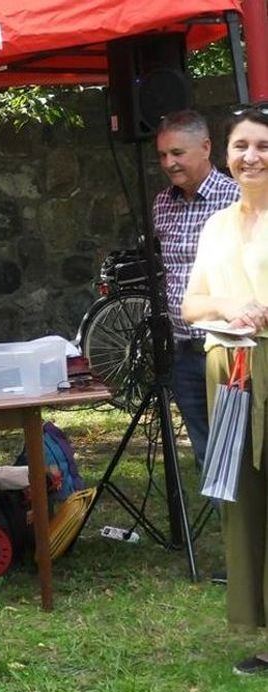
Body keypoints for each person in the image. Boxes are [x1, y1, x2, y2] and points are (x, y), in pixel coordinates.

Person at [182, 106, 268, 676]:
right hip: (228, 372)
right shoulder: (216, 225)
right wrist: (230, 307)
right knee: (246, 504)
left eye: (262, 145)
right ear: (225, 152)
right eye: (241, 145)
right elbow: (191, 305)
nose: (251, 156)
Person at [153, 110, 240, 471]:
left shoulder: (236, 198)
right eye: (162, 156)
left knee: (241, 454)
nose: (169, 163)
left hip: (227, 349)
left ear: (205, 147)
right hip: (184, 353)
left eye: (177, 153)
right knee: (209, 459)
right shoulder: (162, 204)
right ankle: (229, 527)